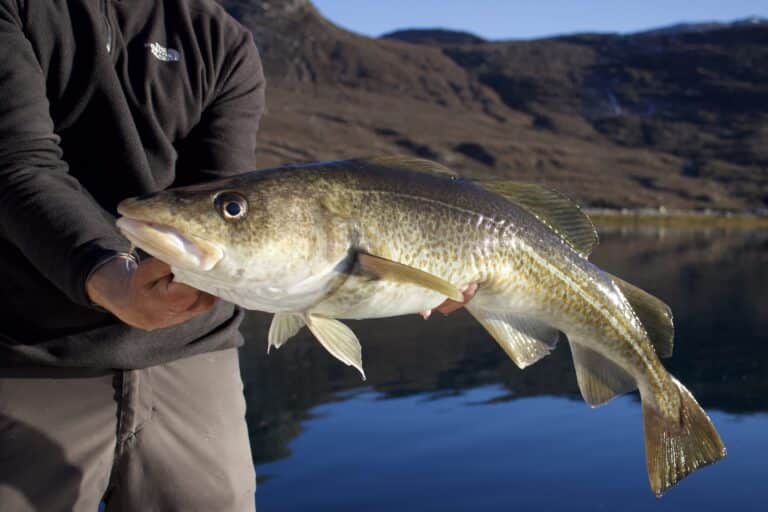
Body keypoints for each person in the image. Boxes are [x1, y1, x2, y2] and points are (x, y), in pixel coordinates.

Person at [0, 1, 475, 510]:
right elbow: (18, 164)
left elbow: (231, 200)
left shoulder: (222, 40)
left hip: (195, 353)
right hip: (32, 356)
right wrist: (106, 274)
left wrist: (428, 277)